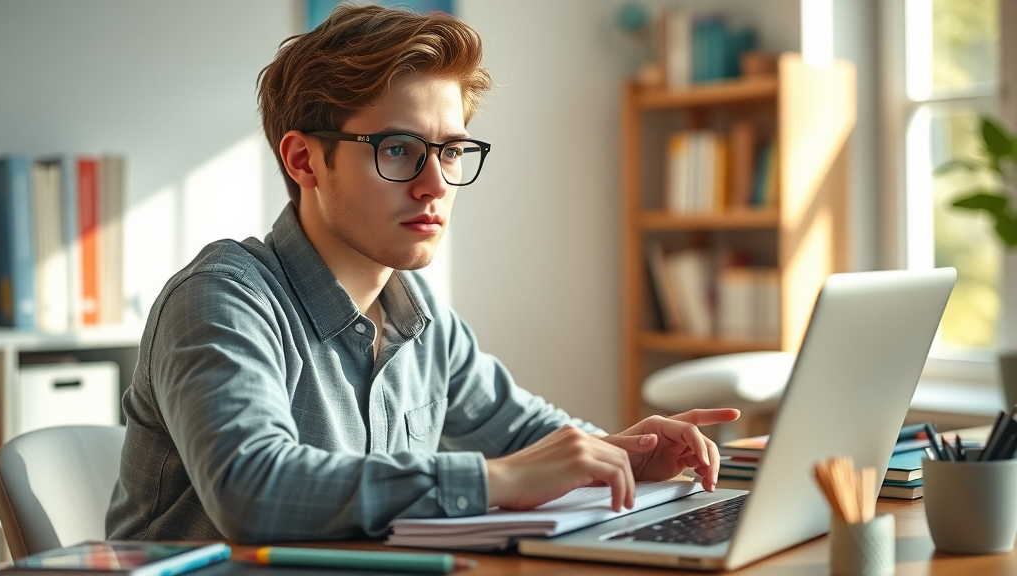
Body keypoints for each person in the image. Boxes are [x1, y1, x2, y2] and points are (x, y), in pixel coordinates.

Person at [105, 4, 739, 543]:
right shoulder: (221, 298)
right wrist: (496, 479)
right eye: (398, 150)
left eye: (452, 151)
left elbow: (526, 432)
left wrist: (628, 455)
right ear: (304, 160)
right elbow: (250, 487)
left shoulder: (421, 320)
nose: (435, 184)